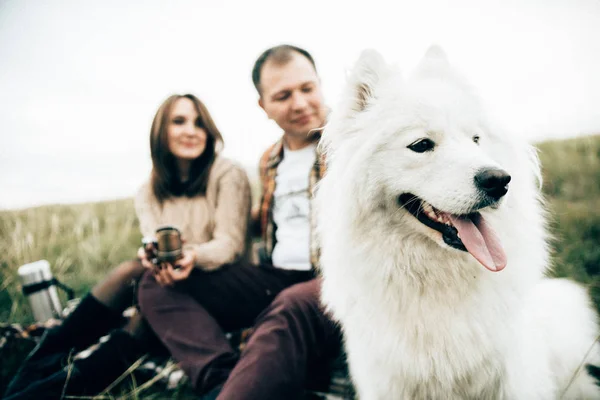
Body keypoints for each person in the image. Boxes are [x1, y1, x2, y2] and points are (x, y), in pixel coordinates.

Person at [3, 93, 251, 399]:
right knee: (133, 271)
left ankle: (40, 393)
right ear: (161, 131)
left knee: (144, 315)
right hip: (166, 283)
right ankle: (31, 374)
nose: (191, 130)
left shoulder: (228, 174)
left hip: (221, 285)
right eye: (179, 121)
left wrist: (192, 256)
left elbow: (230, 245)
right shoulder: (148, 190)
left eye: (199, 123)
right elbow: (151, 240)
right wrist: (150, 255)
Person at [138, 44, 342, 400]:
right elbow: (268, 219)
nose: (298, 103)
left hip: (334, 282)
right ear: (264, 106)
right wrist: (187, 252)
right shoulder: (270, 160)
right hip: (275, 277)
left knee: (289, 308)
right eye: (282, 95)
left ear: (320, 85)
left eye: (307, 89)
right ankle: (220, 378)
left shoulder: (350, 142)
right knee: (155, 284)